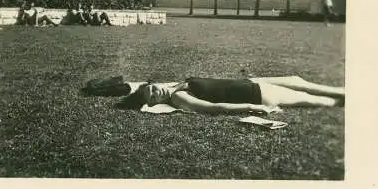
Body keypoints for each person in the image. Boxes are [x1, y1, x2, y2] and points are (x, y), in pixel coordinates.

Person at [81, 75, 345, 116]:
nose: (156, 91)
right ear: (153, 103)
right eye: (153, 95)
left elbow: (137, 84)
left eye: (153, 87)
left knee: (298, 80)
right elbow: (214, 108)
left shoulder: (173, 86)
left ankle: (345, 93)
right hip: (257, 94)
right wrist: (252, 109)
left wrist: (116, 87)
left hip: (251, 82)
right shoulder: (178, 99)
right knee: (315, 100)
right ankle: (341, 101)